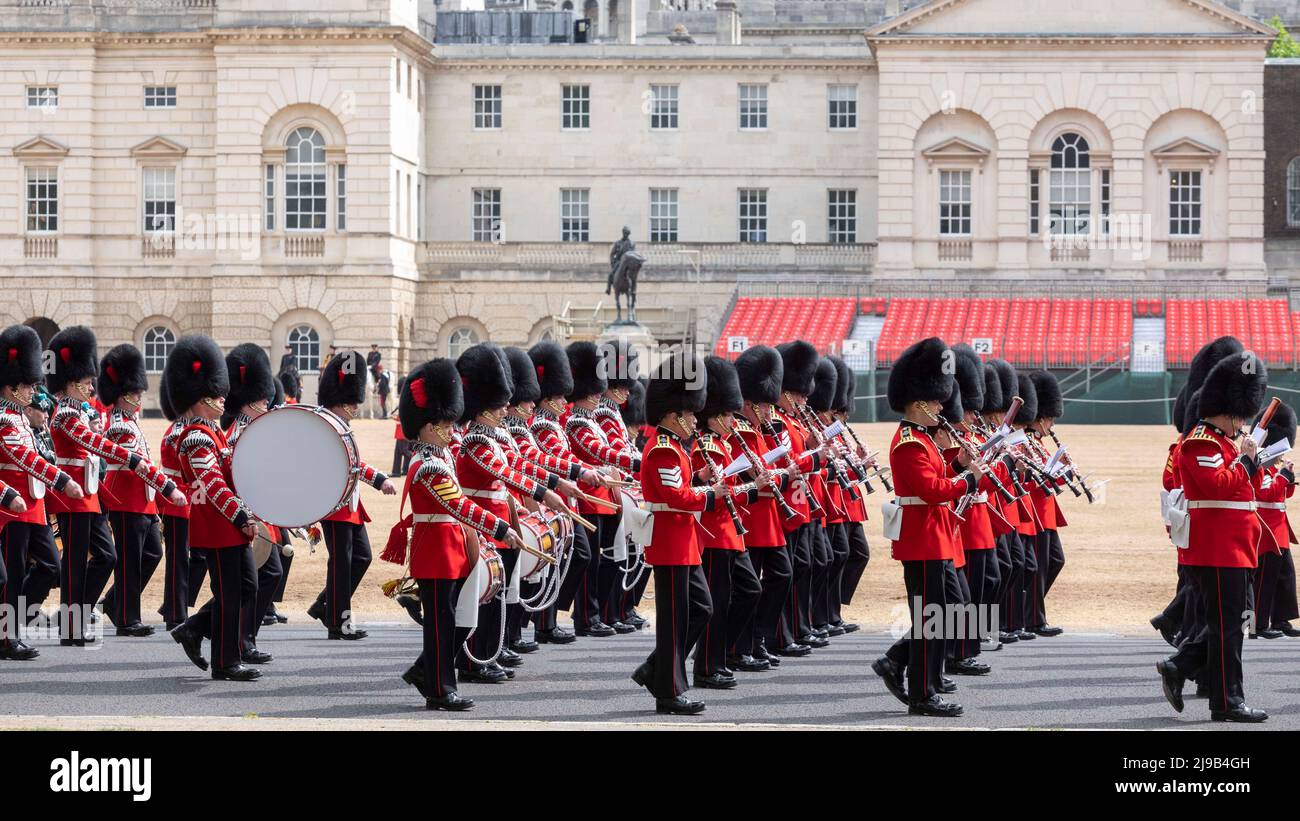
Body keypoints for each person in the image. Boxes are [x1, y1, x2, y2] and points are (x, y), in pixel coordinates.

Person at [384, 358, 528, 711]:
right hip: (435, 551)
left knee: (456, 621)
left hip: (452, 549)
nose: (453, 430)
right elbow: (459, 505)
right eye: (446, 425)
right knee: (440, 624)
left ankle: (429, 675)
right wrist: (501, 527)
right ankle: (439, 689)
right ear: (429, 427)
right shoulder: (427, 464)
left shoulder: (439, 455)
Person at [45, 326, 183, 645]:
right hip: (70, 497)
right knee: (76, 563)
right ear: (72, 382)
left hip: (88, 496)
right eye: (87, 381)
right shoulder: (65, 415)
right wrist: (133, 462)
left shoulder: (78, 412)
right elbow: (97, 444)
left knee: (106, 556)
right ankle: (71, 626)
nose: (93, 386)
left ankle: (86, 612)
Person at [454, 343, 581, 681]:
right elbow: (505, 473)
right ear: (483, 407)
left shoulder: (492, 436)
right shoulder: (475, 442)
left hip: (502, 523)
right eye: (498, 404)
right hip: (482, 524)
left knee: (498, 590)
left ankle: (489, 651)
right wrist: (544, 492)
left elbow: (521, 465)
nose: (505, 408)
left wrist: (556, 483)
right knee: (484, 593)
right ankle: (474, 658)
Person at [871, 337, 982, 718]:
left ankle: (906, 667)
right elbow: (931, 491)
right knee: (934, 616)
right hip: (922, 541)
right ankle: (922, 693)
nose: (942, 406)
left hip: (936, 538)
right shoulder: (908, 443)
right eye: (937, 401)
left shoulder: (922, 440)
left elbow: (936, 479)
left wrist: (958, 466)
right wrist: (967, 480)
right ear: (920, 402)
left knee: (951, 611)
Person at [1156, 350, 1269, 722]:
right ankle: (1228, 702)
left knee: (1229, 625)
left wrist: (1251, 459)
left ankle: (1180, 666)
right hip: (1218, 550)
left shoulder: (1223, 443)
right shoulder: (1202, 442)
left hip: (1232, 549)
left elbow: (1246, 490)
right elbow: (1216, 487)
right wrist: (1247, 460)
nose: (1241, 423)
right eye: (1239, 416)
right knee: (1228, 630)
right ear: (1226, 409)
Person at [630, 351, 724, 715]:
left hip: (684, 542)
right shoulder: (665, 448)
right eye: (689, 414)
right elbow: (675, 496)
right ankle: (668, 691)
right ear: (673, 414)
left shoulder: (677, 447)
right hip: (670, 543)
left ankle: (656, 669)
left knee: (701, 609)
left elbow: (681, 486)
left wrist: (699, 479)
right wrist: (710, 494)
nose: (694, 419)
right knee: (673, 622)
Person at [165, 335, 263, 681]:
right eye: (216, 393)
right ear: (199, 396)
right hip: (216, 524)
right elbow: (213, 483)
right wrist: (241, 515)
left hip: (229, 523)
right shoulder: (195, 437)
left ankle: (193, 629)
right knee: (230, 591)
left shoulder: (214, 433)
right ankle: (225, 661)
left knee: (246, 587)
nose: (223, 398)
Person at [306, 351, 398, 639]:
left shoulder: (340, 425)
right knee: (342, 563)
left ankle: (325, 605)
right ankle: (338, 623)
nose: (355, 407)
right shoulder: (325, 425)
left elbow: (354, 463)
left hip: (349, 502)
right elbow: (347, 464)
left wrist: (379, 479)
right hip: (332, 503)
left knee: (361, 557)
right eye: (351, 403)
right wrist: (379, 479)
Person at [0, 325, 75, 660]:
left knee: (50, 567)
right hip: (10, 507)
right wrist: (61, 479)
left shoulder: (20, 418)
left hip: (33, 504)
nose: (33, 389)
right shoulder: (5, 419)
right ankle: (7, 636)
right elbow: (24, 457)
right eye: (28, 384)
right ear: (13, 386)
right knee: (11, 575)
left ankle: (15, 621)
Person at [691, 355, 762, 689]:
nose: (734, 422)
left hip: (731, 533)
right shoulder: (707, 445)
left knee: (749, 590)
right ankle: (707, 666)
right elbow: (722, 492)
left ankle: (722, 653)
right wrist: (754, 488)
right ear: (715, 417)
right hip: (715, 534)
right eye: (729, 416)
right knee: (717, 604)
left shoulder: (721, 443)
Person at [563, 341, 640, 637]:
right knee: (592, 562)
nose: (600, 393)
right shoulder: (579, 422)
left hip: (607, 496)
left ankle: (604, 612)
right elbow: (605, 452)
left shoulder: (598, 418)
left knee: (608, 557)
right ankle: (588, 616)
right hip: (589, 499)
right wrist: (640, 464)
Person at [727, 345, 795, 668]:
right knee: (749, 586)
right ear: (750, 403)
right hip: (751, 516)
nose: (770, 412)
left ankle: (758, 638)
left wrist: (783, 474)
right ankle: (741, 646)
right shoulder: (737, 432)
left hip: (769, 518)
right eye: (765, 406)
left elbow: (776, 469)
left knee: (782, 575)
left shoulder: (761, 430)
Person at [96, 343, 167, 637]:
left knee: (152, 553)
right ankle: (127, 618)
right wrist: (165, 485)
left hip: (142, 501)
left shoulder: (129, 422)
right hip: (126, 499)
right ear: (123, 395)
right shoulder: (119, 426)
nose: (140, 397)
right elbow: (136, 465)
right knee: (129, 561)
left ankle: (114, 603)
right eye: (136, 393)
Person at [220, 343, 280, 664]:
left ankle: (243, 639)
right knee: (254, 580)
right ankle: (241, 641)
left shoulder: (256, 429)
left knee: (262, 578)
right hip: (243, 516)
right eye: (260, 400)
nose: (266, 404)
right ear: (245, 404)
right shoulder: (238, 434)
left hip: (256, 514)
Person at [1249, 401, 1297, 639]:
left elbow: (1283, 495)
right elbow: (1265, 493)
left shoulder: (1272, 464)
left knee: (1285, 576)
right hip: (1266, 529)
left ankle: (1281, 619)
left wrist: (1287, 478)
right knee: (1265, 580)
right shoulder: (1261, 464)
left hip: (1279, 529)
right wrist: (1282, 477)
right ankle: (1258, 625)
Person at [1026, 369, 1067, 637]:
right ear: (1039, 418)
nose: (1051, 425)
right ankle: (1033, 618)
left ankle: (1031, 613)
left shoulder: (1037, 442)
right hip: (1034, 513)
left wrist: (1063, 471)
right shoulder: (1026, 441)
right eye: (1049, 419)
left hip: (1046, 511)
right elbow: (1030, 480)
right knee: (1038, 567)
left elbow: (1049, 479)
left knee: (1053, 561)